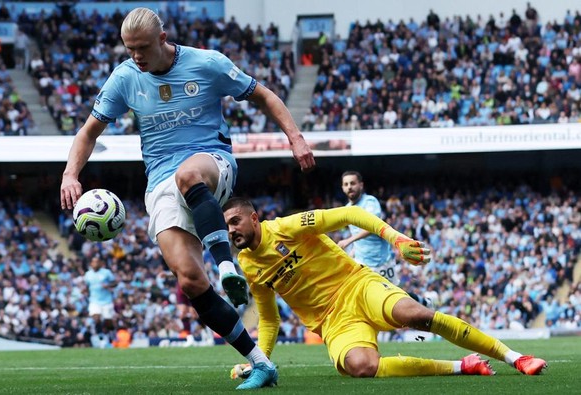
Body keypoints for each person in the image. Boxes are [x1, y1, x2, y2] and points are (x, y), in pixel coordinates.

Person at [59, 7, 315, 389]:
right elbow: (88, 132)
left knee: (188, 174)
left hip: (211, 162)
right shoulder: (126, 78)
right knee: (191, 281)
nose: (136, 57)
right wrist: (70, 174)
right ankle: (260, 363)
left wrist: (295, 138)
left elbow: (264, 96)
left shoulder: (207, 63)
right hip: (159, 183)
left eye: (143, 47)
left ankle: (227, 266)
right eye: (130, 49)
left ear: (163, 39)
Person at [222, 198, 547, 379]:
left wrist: (397, 238)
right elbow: (269, 320)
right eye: (226, 226)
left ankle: (515, 357)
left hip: (357, 285)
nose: (231, 229)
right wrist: (261, 362)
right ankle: (464, 366)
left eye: (235, 220)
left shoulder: (288, 226)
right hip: (333, 322)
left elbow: (350, 213)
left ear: (254, 218)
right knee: (362, 368)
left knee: (416, 314)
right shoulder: (248, 266)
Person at [337, 171, 431, 307]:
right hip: (362, 262)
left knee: (395, 296)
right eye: (346, 184)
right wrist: (353, 251)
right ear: (342, 188)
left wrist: (348, 240)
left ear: (361, 185)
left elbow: (372, 227)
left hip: (382, 262)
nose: (349, 187)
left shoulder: (370, 202)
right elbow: (357, 234)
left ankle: (423, 303)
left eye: (352, 183)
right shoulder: (347, 209)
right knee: (361, 297)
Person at [83, 255, 116, 347]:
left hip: (106, 301)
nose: (95, 264)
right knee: (96, 318)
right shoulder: (88, 274)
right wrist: (84, 290)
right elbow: (87, 286)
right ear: (91, 263)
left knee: (107, 322)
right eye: (93, 262)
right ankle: (101, 338)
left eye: (97, 262)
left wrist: (108, 285)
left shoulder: (106, 272)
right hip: (94, 300)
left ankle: (112, 336)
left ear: (101, 263)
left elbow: (115, 283)